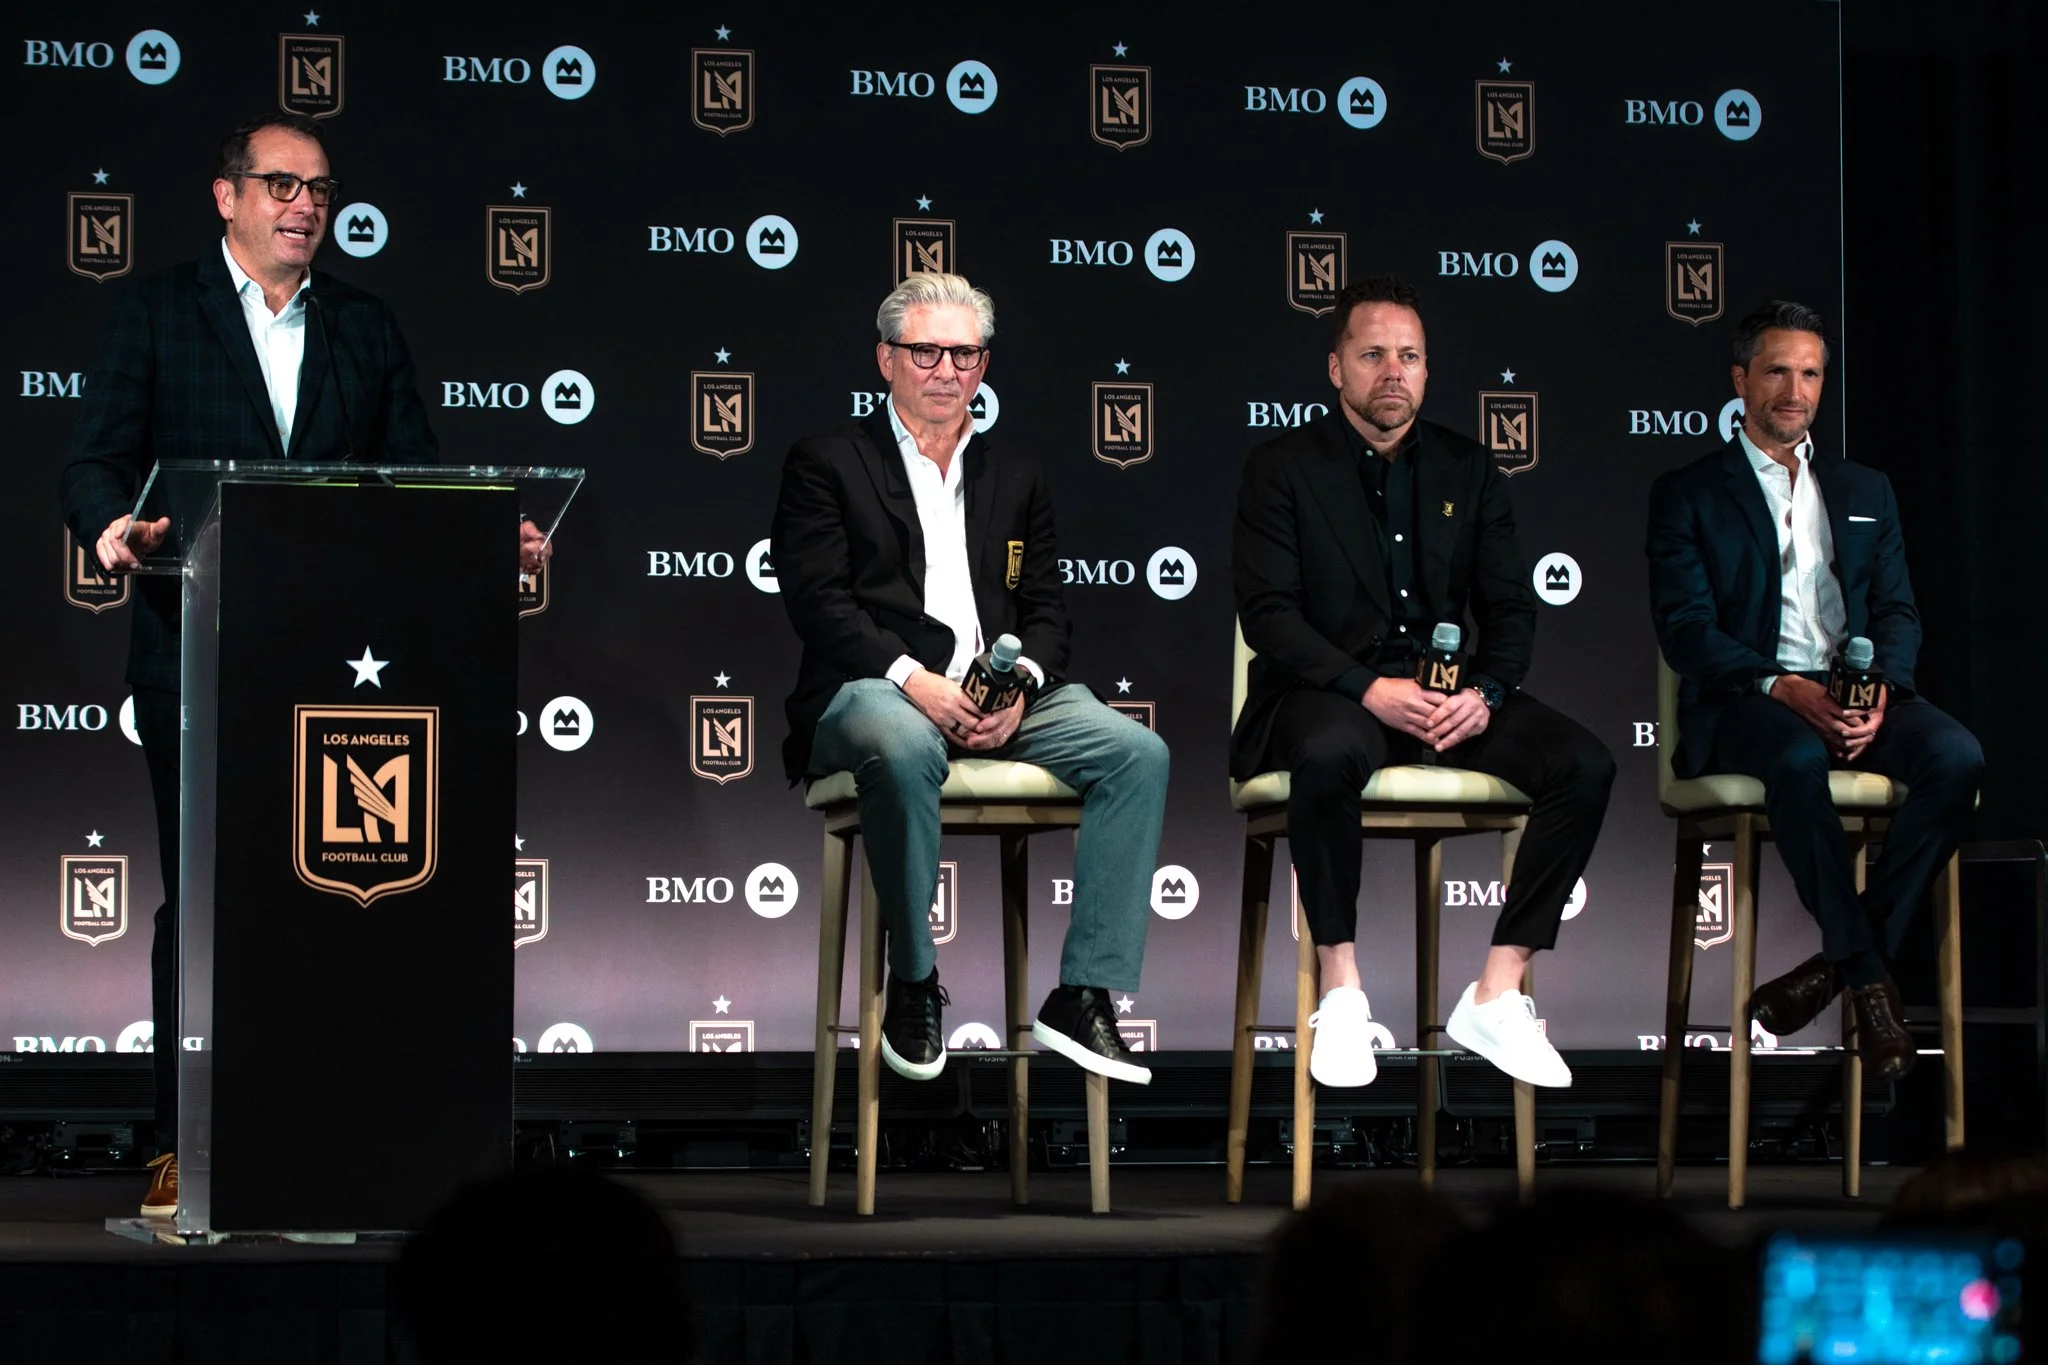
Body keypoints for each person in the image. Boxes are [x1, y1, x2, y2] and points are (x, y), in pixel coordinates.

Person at [56, 113, 547, 1218]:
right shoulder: (159, 312)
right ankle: (186, 1143)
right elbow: (95, 462)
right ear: (226, 196)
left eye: (319, 190)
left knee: (327, 906)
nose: (303, 206)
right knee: (206, 902)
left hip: (339, 670)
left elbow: (415, 480)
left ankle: (336, 1133)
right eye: (280, 184)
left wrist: (487, 533)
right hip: (198, 652)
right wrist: (109, 528)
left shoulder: (366, 328)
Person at [772, 272, 1169, 1085]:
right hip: (873, 689)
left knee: (1138, 754)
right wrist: (915, 679)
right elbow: (820, 604)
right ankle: (915, 982)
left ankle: (1084, 993)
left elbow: (1049, 608)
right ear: (886, 360)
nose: (946, 369)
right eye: (927, 351)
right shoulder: (828, 462)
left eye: (965, 353)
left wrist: (1018, 686)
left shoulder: (1014, 475)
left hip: (996, 697)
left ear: (982, 367)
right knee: (904, 740)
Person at [1230, 276, 1614, 1091]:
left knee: (1585, 763)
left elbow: (1510, 611)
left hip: (1449, 701)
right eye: (1373, 355)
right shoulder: (1282, 468)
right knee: (1330, 754)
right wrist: (1368, 687)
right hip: (1327, 695)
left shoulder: (1470, 470)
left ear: (1428, 371)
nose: (1392, 372)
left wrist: (1487, 696)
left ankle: (1497, 989)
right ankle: (1341, 989)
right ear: (1336, 368)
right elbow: (1269, 615)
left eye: (1409, 356)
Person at [1646, 300, 1983, 1082]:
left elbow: (1897, 609)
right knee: (1795, 758)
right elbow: (1687, 630)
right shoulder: (1688, 492)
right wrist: (1779, 682)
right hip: (1746, 700)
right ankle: (1868, 977)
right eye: (1776, 372)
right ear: (1741, 380)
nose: (1794, 391)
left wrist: (1881, 694)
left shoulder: (1865, 486)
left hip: (1859, 694)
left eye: (1810, 374)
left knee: (1958, 758)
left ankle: (1835, 968)